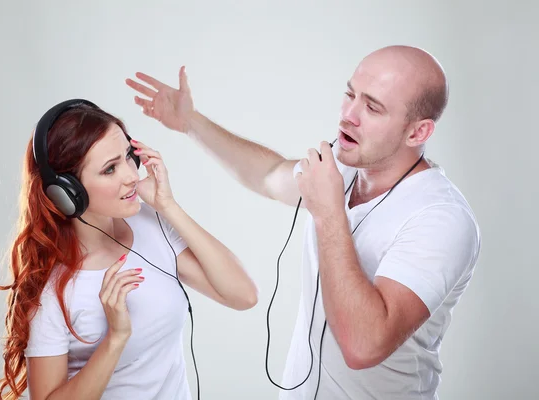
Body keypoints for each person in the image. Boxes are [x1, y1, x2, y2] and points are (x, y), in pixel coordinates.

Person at [124, 45, 482, 399]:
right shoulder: (344, 168)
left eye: (372, 107)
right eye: (350, 94)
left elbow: (363, 347)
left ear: (417, 133)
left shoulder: (440, 219)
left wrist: (329, 213)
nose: (348, 114)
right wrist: (190, 122)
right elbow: (267, 174)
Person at [0, 99, 259, 400]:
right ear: (67, 193)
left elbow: (243, 296)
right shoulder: (52, 292)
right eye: (109, 170)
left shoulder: (151, 222)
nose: (131, 175)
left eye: (129, 157)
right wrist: (115, 339)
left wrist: (168, 207)